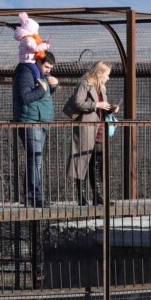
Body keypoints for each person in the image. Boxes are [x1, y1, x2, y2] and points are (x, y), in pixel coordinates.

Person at [64, 61, 117, 206]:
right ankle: (81, 197)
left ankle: (97, 196)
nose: (108, 78)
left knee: (96, 163)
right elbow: (77, 102)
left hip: (99, 128)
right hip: (86, 127)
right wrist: (96, 105)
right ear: (99, 73)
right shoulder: (85, 83)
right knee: (81, 161)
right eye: (107, 75)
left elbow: (101, 108)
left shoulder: (102, 88)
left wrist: (111, 109)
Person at [12, 51, 58, 207]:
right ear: (38, 61)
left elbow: (43, 94)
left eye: (50, 68)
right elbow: (24, 97)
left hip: (41, 121)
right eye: (46, 67)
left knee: (35, 160)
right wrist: (43, 89)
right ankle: (36, 197)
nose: (48, 71)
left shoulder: (39, 73)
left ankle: (32, 197)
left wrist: (53, 86)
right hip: (30, 121)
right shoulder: (26, 72)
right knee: (36, 160)